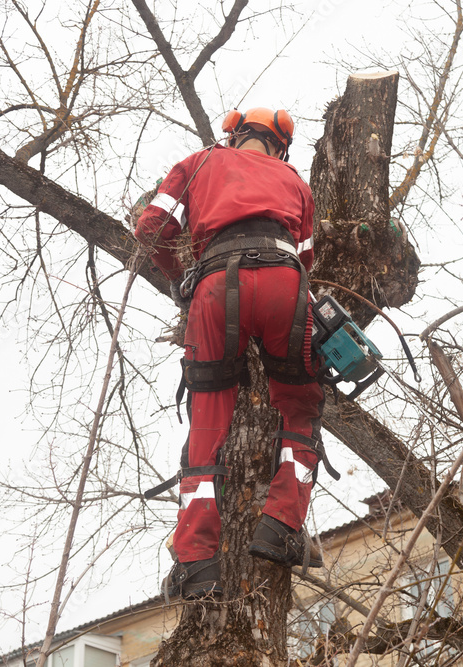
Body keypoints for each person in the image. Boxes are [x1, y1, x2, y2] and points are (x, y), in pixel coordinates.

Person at [136, 107, 332, 599]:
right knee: (302, 405)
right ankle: (283, 524)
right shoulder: (295, 181)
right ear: (280, 147)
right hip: (286, 282)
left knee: (207, 420)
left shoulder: (199, 163)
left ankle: (198, 563)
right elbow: (305, 258)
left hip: (216, 282)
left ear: (234, 134)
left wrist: (181, 278)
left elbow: (151, 226)